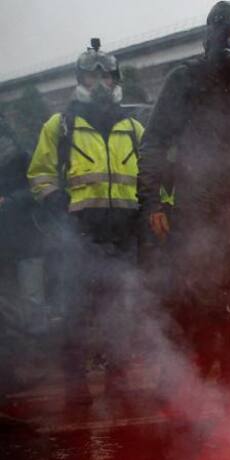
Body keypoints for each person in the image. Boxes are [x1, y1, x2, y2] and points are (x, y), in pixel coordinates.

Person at [137, 1, 230, 389]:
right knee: (197, 302)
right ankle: (190, 393)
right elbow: (153, 144)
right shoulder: (185, 80)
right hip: (197, 211)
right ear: (216, 37)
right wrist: (154, 201)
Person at [26, 38, 145, 404]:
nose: (100, 85)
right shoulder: (59, 126)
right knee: (75, 315)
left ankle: (120, 382)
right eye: (92, 78)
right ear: (80, 80)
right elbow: (40, 174)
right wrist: (55, 201)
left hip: (123, 236)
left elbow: (153, 176)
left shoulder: (133, 128)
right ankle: (76, 390)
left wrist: (156, 214)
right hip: (77, 239)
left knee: (120, 314)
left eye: (106, 78)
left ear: (115, 81)